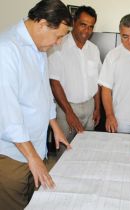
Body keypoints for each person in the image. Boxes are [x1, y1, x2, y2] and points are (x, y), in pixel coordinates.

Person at [0, 0, 72, 209]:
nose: (58, 43)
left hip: (34, 150)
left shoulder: (39, 47)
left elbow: (43, 92)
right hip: (12, 157)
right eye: (58, 36)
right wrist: (32, 157)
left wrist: (55, 126)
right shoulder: (7, 50)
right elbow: (7, 116)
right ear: (42, 24)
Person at [48, 6, 102, 153]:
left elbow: (97, 81)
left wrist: (97, 107)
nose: (86, 31)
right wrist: (69, 113)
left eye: (91, 27)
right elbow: (54, 83)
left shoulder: (94, 49)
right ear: (74, 22)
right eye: (83, 25)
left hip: (89, 107)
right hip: (66, 108)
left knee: (87, 150)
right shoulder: (58, 46)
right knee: (66, 152)